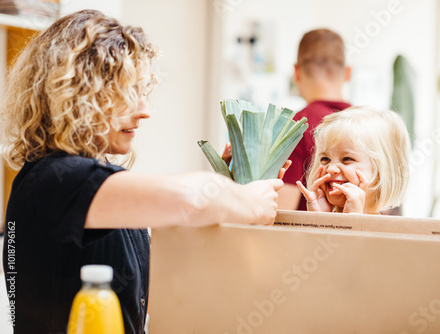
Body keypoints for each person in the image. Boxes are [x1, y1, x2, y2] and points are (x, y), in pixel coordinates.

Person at [0, 10, 286, 334]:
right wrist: (248, 200)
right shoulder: (55, 179)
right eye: (129, 93)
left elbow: (164, 271)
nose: (145, 111)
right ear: (80, 97)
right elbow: (191, 199)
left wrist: (230, 187)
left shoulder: (92, 183)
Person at [279, 28, 351, 210]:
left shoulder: (297, 125)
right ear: (348, 73)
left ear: (296, 72)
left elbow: (281, 211)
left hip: (305, 238)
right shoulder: (366, 125)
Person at [297, 106, 410, 214]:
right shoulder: (319, 214)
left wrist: (353, 220)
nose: (331, 169)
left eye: (347, 159)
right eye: (325, 159)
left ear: (382, 170)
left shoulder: (387, 230)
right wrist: (319, 220)